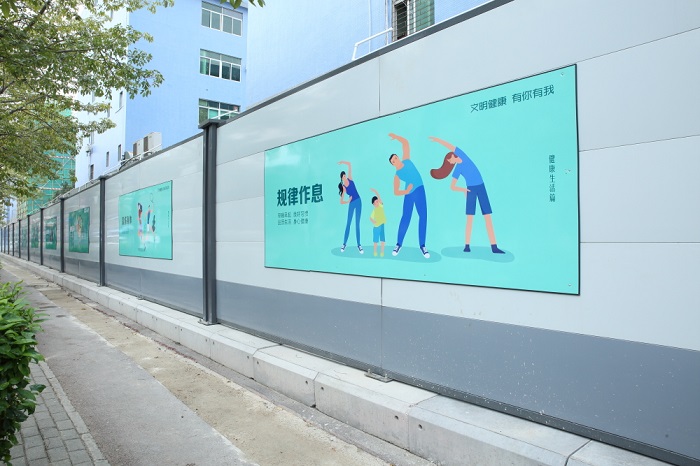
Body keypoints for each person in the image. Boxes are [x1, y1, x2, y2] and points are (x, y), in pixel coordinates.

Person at [428, 136, 505, 254]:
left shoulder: (462, 155)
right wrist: (463, 190)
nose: (450, 163)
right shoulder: (457, 169)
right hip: (471, 190)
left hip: (481, 187)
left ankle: (494, 246)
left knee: (487, 217)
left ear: (452, 156)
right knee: (470, 218)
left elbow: (449, 146)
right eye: (448, 163)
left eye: (449, 160)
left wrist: (438, 140)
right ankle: (467, 245)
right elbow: (452, 186)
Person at [388, 133, 429, 258]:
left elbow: (405, 143)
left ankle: (422, 246)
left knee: (423, 216)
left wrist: (396, 137)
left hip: (420, 189)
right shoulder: (397, 175)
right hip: (409, 193)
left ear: (398, 158)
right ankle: (398, 244)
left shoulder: (406, 160)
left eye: (396, 158)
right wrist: (406, 191)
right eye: (393, 161)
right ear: (393, 164)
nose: (395, 160)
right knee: (406, 217)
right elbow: (396, 192)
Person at [338, 161, 363, 254]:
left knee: (357, 224)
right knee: (348, 223)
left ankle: (359, 245)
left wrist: (342, 162)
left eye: (345, 175)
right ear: (341, 178)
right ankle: (344, 244)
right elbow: (341, 201)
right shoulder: (344, 187)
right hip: (351, 203)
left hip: (358, 201)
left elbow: (349, 164)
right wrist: (347, 201)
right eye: (343, 176)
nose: (344, 177)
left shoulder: (350, 179)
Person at [369, 188, 386, 257]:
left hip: (382, 225)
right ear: (373, 204)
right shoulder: (374, 211)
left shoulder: (381, 206)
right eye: (376, 202)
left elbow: (379, 198)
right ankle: (375, 251)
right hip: (376, 227)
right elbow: (370, 218)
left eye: (378, 201)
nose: (377, 202)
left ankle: (382, 252)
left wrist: (376, 192)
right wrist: (374, 221)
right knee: (375, 241)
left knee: (382, 239)